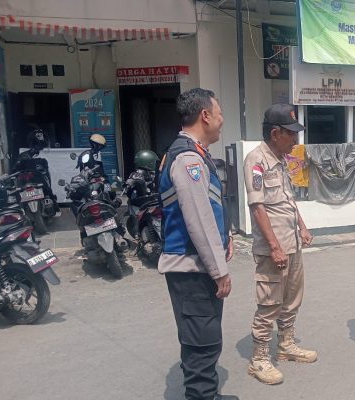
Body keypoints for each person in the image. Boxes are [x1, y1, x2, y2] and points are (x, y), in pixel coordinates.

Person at [157, 88, 237, 400]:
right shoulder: (188, 159)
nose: (222, 120)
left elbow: (211, 211)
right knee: (202, 341)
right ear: (205, 115)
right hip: (192, 269)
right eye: (219, 114)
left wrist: (226, 239)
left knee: (202, 336)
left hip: (195, 266)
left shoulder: (193, 154)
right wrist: (220, 271)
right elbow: (199, 220)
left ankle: (207, 394)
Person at [243, 103, 316, 385]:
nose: (296, 140)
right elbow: (258, 206)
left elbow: (287, 199)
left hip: (292, 243)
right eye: (291, 134)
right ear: (276, 133)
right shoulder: (256, 160)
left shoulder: (281, 159)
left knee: (292, 298)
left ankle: (285, 345)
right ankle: (259, 359)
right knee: (270, 302)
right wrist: (274, 246)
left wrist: (302, 225)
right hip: (273, 248)